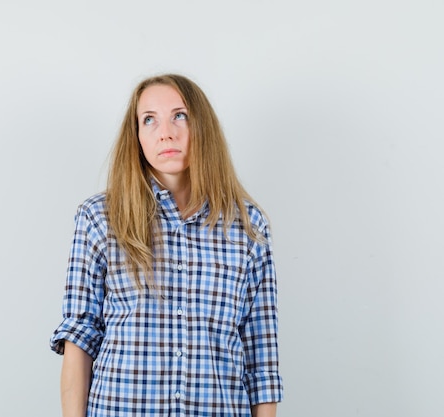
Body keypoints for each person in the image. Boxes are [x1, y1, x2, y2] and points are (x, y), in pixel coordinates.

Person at [50, 73, 283, 417]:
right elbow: (79, 339)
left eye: (180, 115)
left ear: (202, 126)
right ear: (138, 137)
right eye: (149, 120)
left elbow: (261, 355)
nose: (166, 132)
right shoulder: (99, 218)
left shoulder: (246, 227)